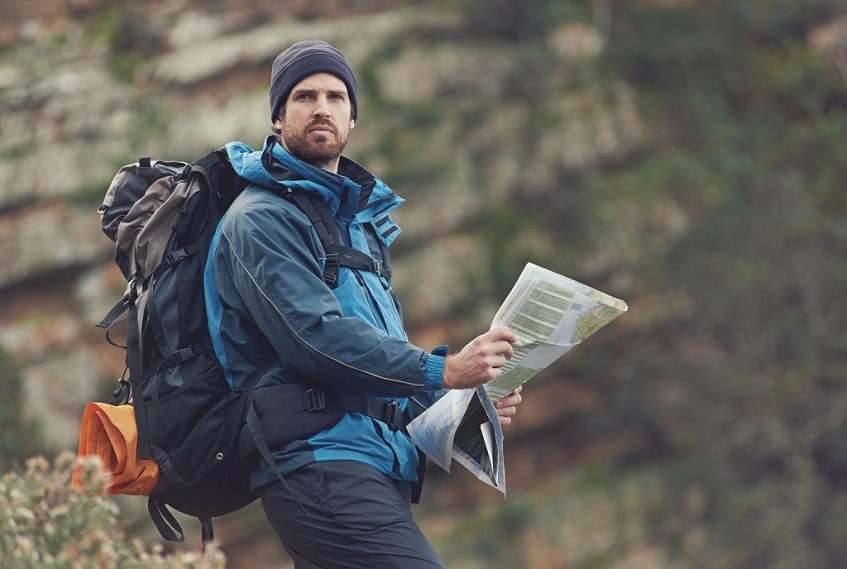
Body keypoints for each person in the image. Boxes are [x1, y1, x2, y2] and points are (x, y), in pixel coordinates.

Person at [204, 39, 523, 568]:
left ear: (353, 119)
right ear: (279, 118)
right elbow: (316, 341)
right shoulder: (259, 218)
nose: (322, 107)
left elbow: (374, 363)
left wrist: (463, 409)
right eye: (304, 97)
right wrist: (445, 370)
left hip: (371, 461)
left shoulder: (358, 224)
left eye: (335, 96)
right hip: (318, 464)